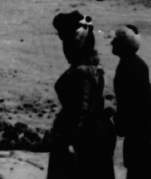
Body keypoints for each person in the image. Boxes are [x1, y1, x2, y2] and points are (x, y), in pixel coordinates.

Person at [47, 11, 116, 179]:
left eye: (67, 43)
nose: (65, 49)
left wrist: (71, 143)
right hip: (92, 135)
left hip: (82, 138)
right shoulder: (91, 69)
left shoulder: (81, 74)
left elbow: (81, 111)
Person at [112, 25, 151, 179]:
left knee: (138, 168)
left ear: (124, 45)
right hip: (139, 128)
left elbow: (140, 98)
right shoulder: (134, 63)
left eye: (116, 41)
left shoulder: (129, 66)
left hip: (137, 129)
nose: (112, 43)